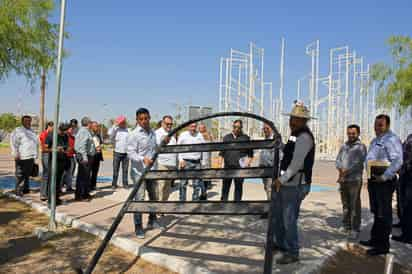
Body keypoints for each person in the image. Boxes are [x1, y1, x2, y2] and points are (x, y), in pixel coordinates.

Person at [271, 101, 315, 264]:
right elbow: (289, 153)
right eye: (292, 117)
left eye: (296, 118)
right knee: (280, 216)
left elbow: (296, 164)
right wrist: (281, 145)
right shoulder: (295, 134)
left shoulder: (304, 137)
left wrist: (280, 180)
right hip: (288, 183)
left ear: (304, 121)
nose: (292, 121)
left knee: (289, 219)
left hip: (294, 184)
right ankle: (280, 243)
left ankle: (292, 251)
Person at [360, 114, 403, 256]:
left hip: (384, 182)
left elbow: (397, 161)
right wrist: (369, 178)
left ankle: (382, 245)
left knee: (384, 214)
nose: (377, 127)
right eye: (376, 124)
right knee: (377, 212)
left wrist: (384, 176)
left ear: (387, 126)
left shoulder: (391, 140)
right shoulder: (375, 140)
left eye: (380, 125)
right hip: (374, 181)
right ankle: (374, 239)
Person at [128, 108, 161, 239]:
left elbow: (155, 148)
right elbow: (130, 153)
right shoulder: (133, 134)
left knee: (154, 196)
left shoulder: (152, 133)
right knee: (139, 199)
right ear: (137, 120)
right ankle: (138, 226)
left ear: (149, 118)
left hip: (152, 171)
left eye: (146, 118)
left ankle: (152, 220)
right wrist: (143, 159)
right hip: (139, 172)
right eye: (141, 119)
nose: (144, 121)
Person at [335, 124, 367, 240]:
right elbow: (338, 160)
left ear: (358, 133)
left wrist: (345, 171)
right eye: (349, 133)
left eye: (353, 133)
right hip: (343, 179)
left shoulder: (361, 147)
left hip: (354, 180)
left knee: (354, 205)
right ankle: (346, 225)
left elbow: (358, 163)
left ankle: (355, 228)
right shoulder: (344, 146)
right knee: (345, 204)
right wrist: (340, 169)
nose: (351, 135)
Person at [219, 120, 253, 201]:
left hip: (240, 168)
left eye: (239, 127)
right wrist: (219, 166)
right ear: (232, 127)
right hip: (227, 167)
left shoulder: (246, 138)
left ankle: (237, 206)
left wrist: (247, 163)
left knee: (238, 188)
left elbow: (250, 154)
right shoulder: (226, 137)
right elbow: (221, 153)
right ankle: (223, 205)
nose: (236, 129)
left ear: (241, 128)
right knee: (225, 188)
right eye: (235, 127)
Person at [10, 115, 38, 196]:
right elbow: (13, 143)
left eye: (29, 121)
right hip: (21, 156)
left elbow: (35, 143)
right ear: (22, 121)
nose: (28, 122)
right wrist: (15, 153)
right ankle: (18, 190)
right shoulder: (18, 131)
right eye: (26, 121)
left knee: (27, 174)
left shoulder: (32, 131)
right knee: (20, 174)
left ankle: (26, 189)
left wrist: (35, 155)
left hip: (30, 156)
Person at [392, 133, 412, 244]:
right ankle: (403, 223)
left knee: (408, 205)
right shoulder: (409, 136)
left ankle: (408, 235)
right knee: (401, 202)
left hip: (410, 175)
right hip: (404, 174)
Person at [177, 122, 205, 201]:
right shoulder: (183, 135)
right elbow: (177, 148)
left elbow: (204, 147)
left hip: (197, 162)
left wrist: (202, 161)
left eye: (194, 126)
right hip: (185, 162)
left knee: (196, 184)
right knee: (183, 184)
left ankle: (194, 201)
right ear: (188, 127)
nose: (193, 128)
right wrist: (180, 160)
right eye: (191, 126)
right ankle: (182, 201)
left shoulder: (199, 135)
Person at [43, 123, 70, 206]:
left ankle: (56, 199)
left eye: (65, 132)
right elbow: (44, 148)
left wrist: (66, 150)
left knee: (59, 182)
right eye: (62, 132)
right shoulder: (51, 135)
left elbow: (66, 147)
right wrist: (55, 149)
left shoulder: (65, 136)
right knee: (53, 181)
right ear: (59, 129)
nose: (63, 134)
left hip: (62, 161)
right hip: (54, 161)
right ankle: (50, 201)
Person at [155, 115, 177, 201]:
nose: (169, 126)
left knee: (167, 188)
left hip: (171, 164)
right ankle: (158, 207)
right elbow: (155, 147)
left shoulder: (173, 133)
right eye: (167, 124)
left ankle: (163, 206)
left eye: (171, 124)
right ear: (162, 123)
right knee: (161, 186)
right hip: (161, 163)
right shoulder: (157, 133)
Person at [74, 117, 96, 201]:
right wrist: (85, 157)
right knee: (82, 177)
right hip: (84, 156)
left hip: (87, 156)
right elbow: (82, 145)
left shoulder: (86, 131)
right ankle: (80, 195)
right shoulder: (84, 131)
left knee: (86, 176)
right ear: (88, 123)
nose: (91, 124)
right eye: (90, 122)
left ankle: (85, 193)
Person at [109, 115, 129, 189]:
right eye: (121, 122)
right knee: (115, 170)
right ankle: (114, 184)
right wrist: (115, 124)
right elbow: (109, 134)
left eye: (124, 122)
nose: (123, 124)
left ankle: (125, 184)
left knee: (125, 170)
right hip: (117, 152)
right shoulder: (115, 129)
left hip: (126, 153)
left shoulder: (128, 130)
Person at [259, 123, 274, 200]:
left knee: (270, 190)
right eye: (264, 128)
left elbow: (278, 157)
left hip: (270, 171)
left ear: (271, 129)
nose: (265, 130)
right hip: (263, 171)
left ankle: (272, 209)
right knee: (267, 189)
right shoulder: (264, 140)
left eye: (267, 128)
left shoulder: (274, 140)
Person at [199, 123, 213, 194]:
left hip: (206, 159)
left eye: (202, 128)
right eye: (200, 128)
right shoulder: (198, 136)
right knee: (201, 177)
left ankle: (204, 191)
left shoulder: (208, 135)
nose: (200, 129)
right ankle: (203, 191)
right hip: (199, 159)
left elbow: (211, 146)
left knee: (205, 176)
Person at [90, 121, 104, 191]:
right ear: (91, 127)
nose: (97, 127)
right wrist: (95, 149)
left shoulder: (98, 135)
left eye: (97, 126)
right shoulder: (89, 135)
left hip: (97, 156)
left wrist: (101, 146)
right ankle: (88, 186)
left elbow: (100, 143)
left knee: (95, 172)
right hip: (91, 156)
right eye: (95, 126)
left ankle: (93, 185)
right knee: (89, 172)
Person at [62, 124, 75, 192]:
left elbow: (74, 147)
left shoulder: (73, 138)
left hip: (71, 157)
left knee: (70, 173)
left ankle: (69, 187)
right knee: (63, 173)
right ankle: (60, 187)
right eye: (70, 129)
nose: (72, 130)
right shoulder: (63, 136)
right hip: (64, 156)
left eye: (72, 129)